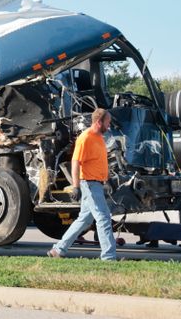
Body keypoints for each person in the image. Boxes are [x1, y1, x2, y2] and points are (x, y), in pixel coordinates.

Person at [48, 108, 117, 261]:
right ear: (99, 122)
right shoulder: (85, 138)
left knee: (84, 220)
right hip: (89, 184)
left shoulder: (99, 138)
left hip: (96, 183)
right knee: (103, 217)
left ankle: (58, 250)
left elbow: (100, 162)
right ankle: (109, 257)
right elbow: (75, 162)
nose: (109, 125)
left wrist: (108, 179)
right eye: (108, 122)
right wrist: (76, 186)